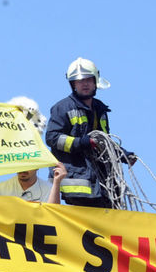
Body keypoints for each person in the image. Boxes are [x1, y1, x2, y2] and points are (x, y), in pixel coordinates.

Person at [44, 58, 134, 208]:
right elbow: (52, 138)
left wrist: (123, 154)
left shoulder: (100, 109)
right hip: (77, 184)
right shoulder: (62, 107)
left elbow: (104, 141)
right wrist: (81, 142)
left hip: (102, 184)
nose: (84, 84)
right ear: (73, 84)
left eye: (88, 80)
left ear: (95, 81)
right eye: (79, 81)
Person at [0, 163, 66, 204]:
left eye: (28, 165)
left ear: (37, 166)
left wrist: (57, 182)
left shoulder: (50, 189)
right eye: (20, 165)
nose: (23, 169)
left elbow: (53, 213)